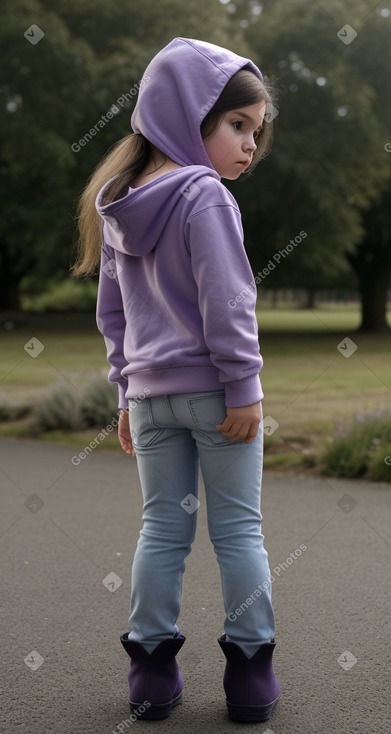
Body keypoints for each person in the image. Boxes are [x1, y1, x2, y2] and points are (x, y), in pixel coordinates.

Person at [72, 36, 280, 724]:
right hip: (218, 395)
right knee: (238, 533)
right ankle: (250, 680)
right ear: (184, 114)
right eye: (235, 125)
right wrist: (244, 386)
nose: (249, 145)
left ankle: (151, 678)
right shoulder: (203, 196)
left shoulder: (120, 205)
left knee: (161, 531)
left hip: (153, 398)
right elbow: (228, 302)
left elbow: (113, 317)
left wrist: (126, 394)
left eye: (254, 131)